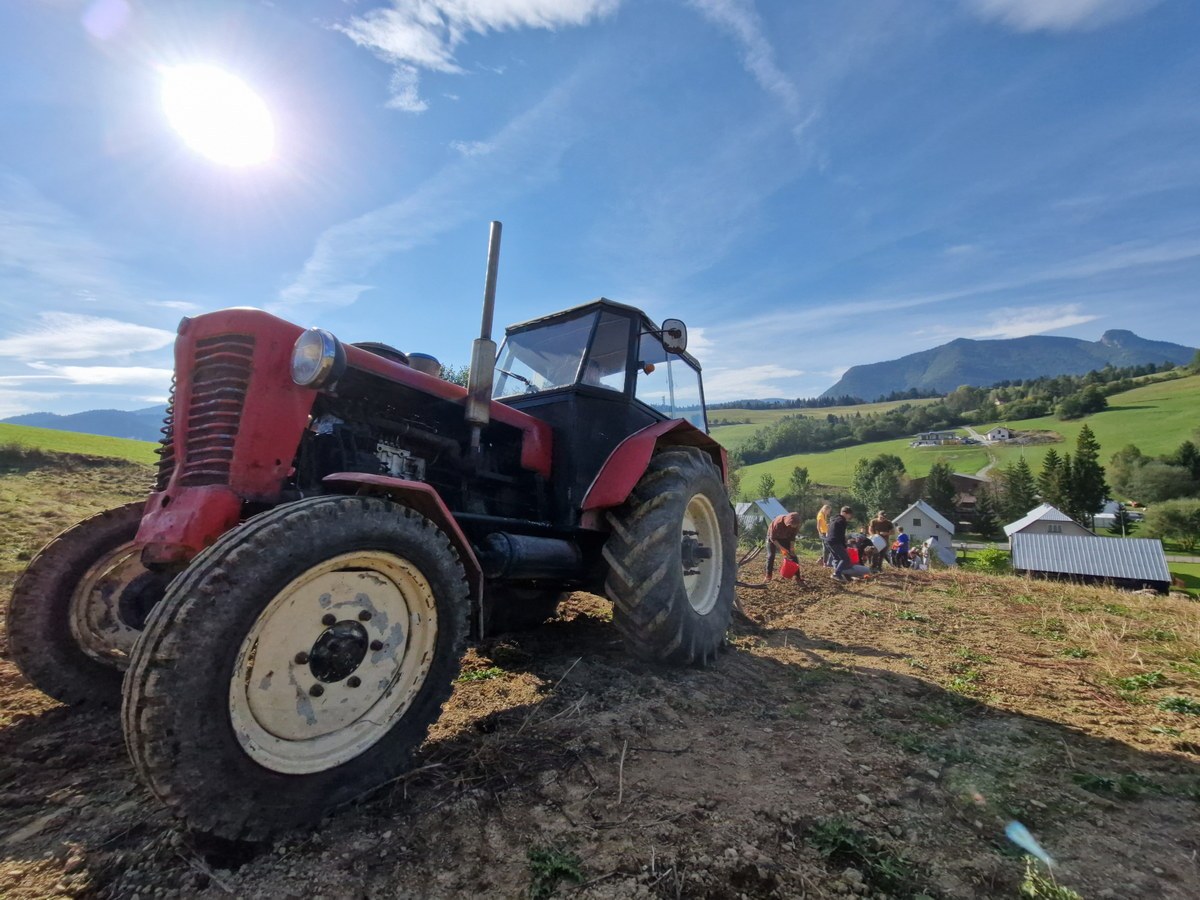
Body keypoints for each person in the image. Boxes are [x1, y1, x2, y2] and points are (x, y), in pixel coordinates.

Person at [765, 511, 801, 580]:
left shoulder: (795, 526)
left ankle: (798, 576)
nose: (794, 527)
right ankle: (768, 575)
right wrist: (782, 549)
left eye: (795, 525)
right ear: (789, 522)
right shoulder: (778, 523)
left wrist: (791, 548)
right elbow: (773, 538)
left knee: (793, 555)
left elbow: (792, 537)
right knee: (771, 555)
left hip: (785, 538)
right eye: (793, 525)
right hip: (773, 538)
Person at [826, 506, 854, 583]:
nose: (849, 516)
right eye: (849, 514)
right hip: (835, 541)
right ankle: (836, 574)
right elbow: (841, 535)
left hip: (829, 541)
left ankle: (839, 574)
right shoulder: (842, 521)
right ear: (844, 513)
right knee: (845, 559)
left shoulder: (834, 519)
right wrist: (844, 545)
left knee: (837, 558)